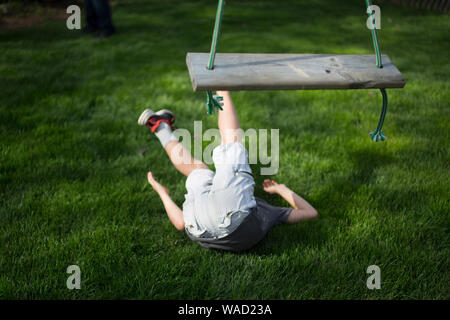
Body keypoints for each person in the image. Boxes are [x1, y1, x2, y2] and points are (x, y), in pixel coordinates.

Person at [138, 91, 318, 252]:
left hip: (233, 218)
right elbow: (180, 223)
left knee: (232, 145)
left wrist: (282, 188)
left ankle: (222, 88)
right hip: (198, 228)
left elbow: (311, 213)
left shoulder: (266, 211)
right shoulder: (270, 212)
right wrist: (163, 193)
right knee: (198, 169)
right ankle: (161, 127)